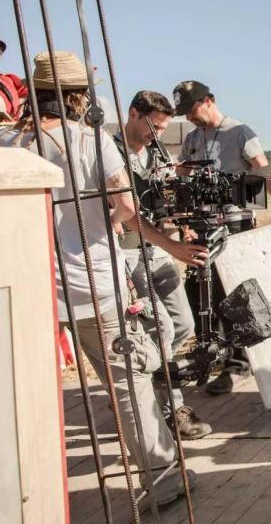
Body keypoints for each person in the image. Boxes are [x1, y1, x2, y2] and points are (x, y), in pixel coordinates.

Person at [0, 51, 198, 506]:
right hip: (94, 285)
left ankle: (20, 498)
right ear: (79, 97)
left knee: (22, 391)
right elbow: (125, 206)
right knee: (127, 385)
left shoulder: (3, 141)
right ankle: (163, 480)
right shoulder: (91, 140)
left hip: (27, 286)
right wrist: (118, 219)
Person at [173, 80, 271, 395]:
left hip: (235, 225)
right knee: (202, 295)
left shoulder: (240, 132)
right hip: (203, 225)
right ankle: (215, 354)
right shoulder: (191, 138)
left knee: (233, 295)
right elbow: (182, 179)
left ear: (209, 100)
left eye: (191, 109)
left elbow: (266, 172)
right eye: (184, 113)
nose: (189, 117)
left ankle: (238, 364)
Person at [114, 90, 212, 439]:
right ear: (133, 114)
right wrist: (170, 243)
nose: (156, 135)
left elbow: (166, 197)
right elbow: (126, 214)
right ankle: (172, 411)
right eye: (153, 127)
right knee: (162, 330)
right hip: (125, 251)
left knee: (183, 325)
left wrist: (183, 228)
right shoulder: (109, 151)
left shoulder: (156, 152)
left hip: (155, 248)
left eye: (162, 129)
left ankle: (144, 393)